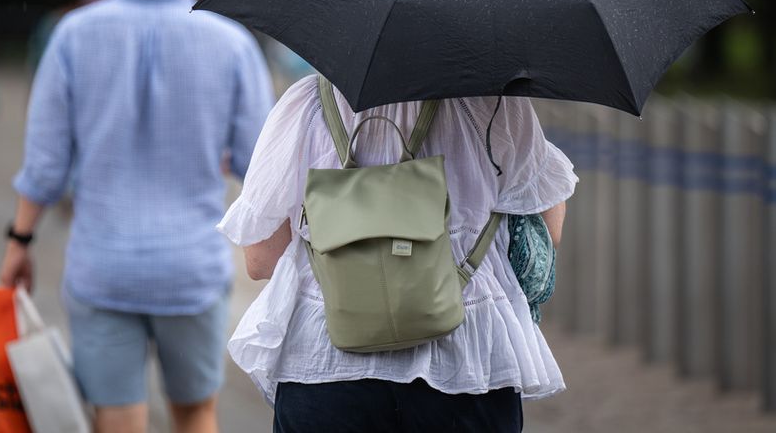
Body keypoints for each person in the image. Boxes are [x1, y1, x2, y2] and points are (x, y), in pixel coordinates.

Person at [0, 0, 274, 433]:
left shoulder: (71, 34)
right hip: (190, 271)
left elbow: (46, 165)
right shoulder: (232, 43)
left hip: (102, 267)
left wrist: (19, 243)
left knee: (116, 417)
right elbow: (260, 167)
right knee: (196, 412)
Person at [219, 78, 577, 432]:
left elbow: (261, 260)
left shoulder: (309, 103)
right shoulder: (494, 105)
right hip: (464, 365)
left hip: (325, 367)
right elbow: (549, 233)